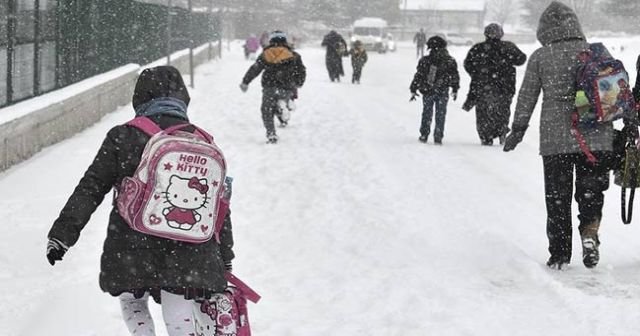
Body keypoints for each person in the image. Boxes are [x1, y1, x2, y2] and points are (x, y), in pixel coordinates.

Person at [45, 65, 235, 335]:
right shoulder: (202, 141)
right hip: (189, 245)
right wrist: (224, 255)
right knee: (178, 296)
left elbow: (91, 187)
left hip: (132, 241)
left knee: (132, 299)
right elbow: (220, 206)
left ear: (140, 97)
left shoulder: (123, 135)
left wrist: (63, 234)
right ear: (182, 98)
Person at [502, 2, 638, 270]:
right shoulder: (596, 53)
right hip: (597, 138)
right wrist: (631, 123)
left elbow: (527, 95)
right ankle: (590, 234)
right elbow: (617, 91)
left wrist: (518, 129)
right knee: (591, 192)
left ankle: (560, 253)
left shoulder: (541, 56)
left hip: (556, 140)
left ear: (544, 29)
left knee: (557, 198)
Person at [463, 23, 527, 146]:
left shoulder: (478, 48)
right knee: (502, 110)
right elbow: (521, 59)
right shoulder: (508, 47)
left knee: (483, 112)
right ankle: (501, 131)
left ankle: (486, 136)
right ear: (501, 34)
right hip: (504, 86)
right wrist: (508, 61)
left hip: (483, 86)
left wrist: (477, 73)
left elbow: (468, 64)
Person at [240, 30, 306, 144]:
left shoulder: (266, 54)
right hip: (287, 87)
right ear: (285, 40)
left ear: (271, 40)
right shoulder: (294, 55)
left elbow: (255, 69)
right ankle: (284, 106)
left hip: (269, 86)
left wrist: (245, 82)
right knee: (281, 100)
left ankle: (271, 134)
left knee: (266, 110)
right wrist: (299, 83)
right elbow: (301, 71)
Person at [410, 35, 460, 144]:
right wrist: (455, 88)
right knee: (441, 114)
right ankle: (438, 136)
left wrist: (413, 88)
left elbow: (419, 75)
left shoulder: (425, 60)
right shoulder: (450, 60)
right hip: (443, 90)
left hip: (428, 90)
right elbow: (455, 76)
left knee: (427, 112)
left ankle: (424, 134)